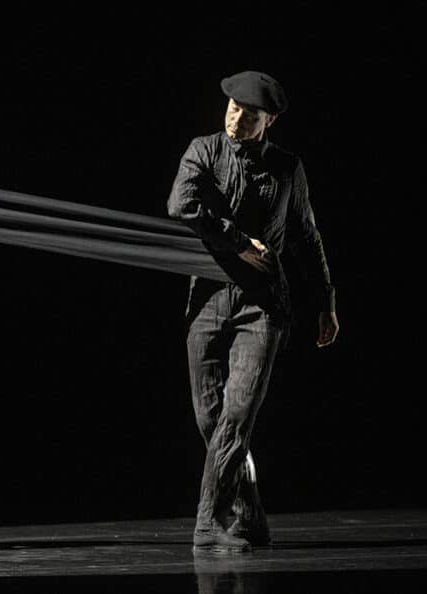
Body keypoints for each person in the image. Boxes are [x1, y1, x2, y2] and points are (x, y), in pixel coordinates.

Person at [167, 71, 339, 553]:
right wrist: (238, 242)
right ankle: (252, 518)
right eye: (232, 108)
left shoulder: (288, 168)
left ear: (271, 121)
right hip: (207, 299)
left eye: (250, 114)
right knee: (211, 417)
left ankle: (210, 524)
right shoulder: (204, 149)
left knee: (238, 414)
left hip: (263, 305)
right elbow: (180, 204)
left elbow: (307, 236)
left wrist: (326, 299)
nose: (236, 118)